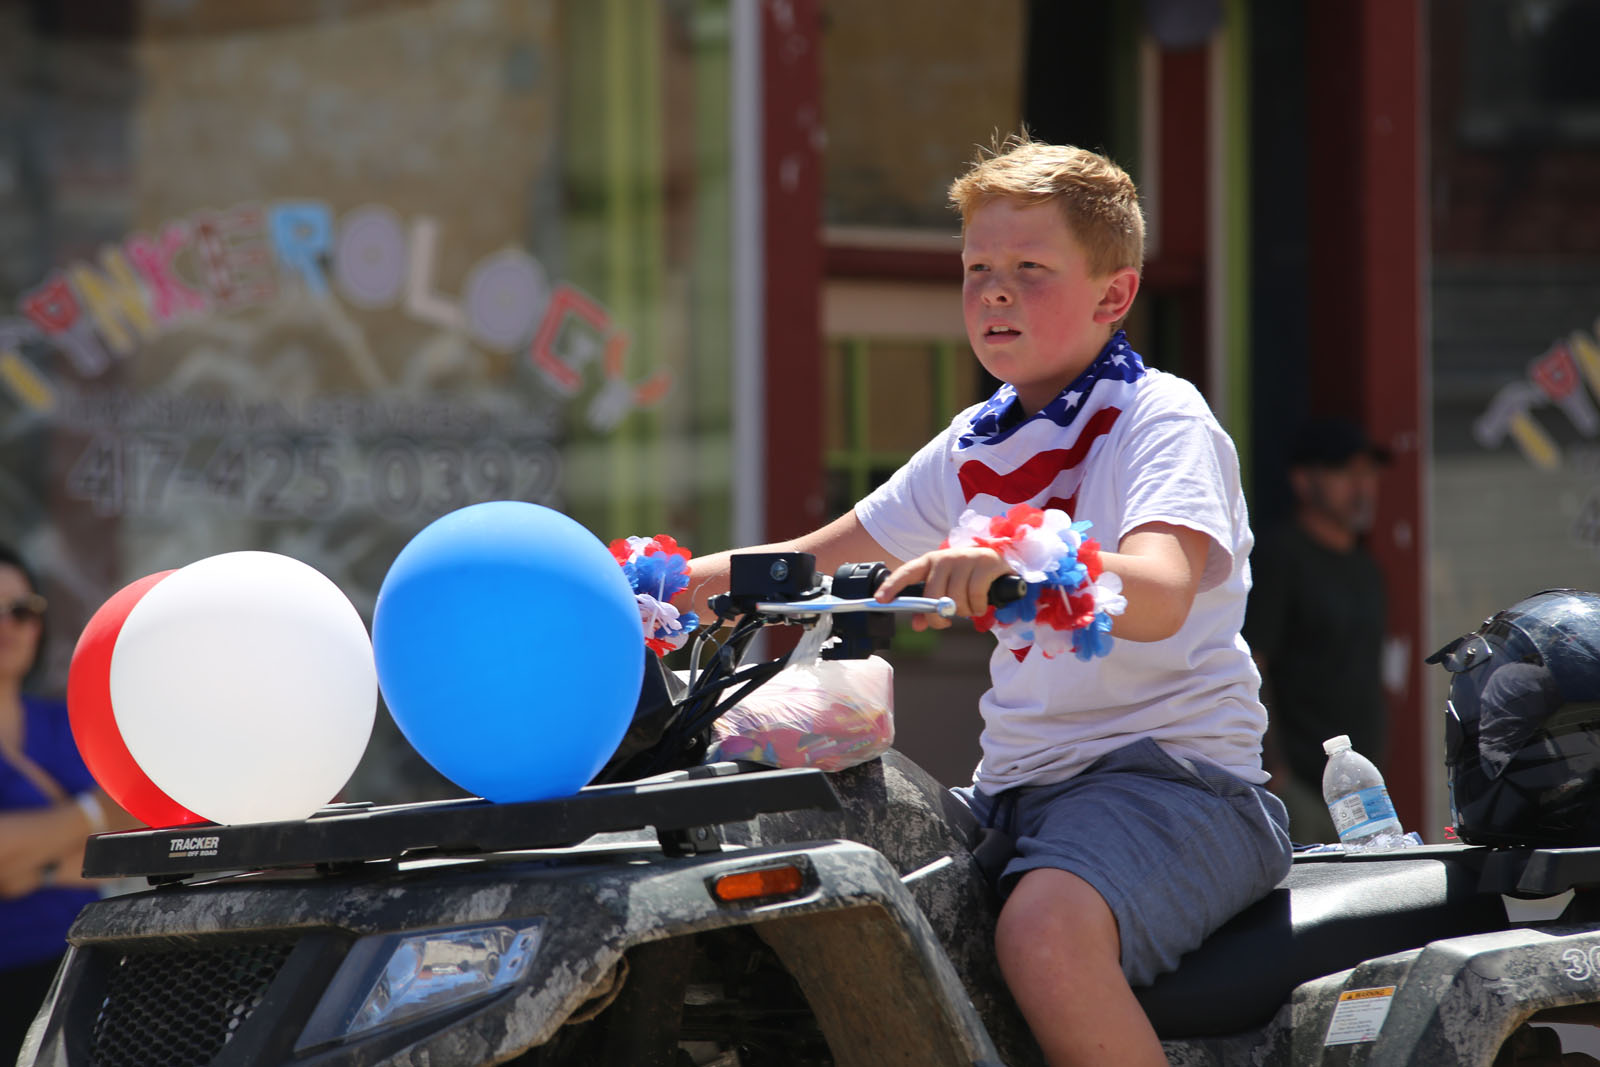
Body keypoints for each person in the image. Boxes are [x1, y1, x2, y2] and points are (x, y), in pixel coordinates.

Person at [681, 133, 1291, 1067]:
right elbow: (807, 560)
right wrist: (668, 585)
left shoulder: (1159, 419)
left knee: (1041, 938)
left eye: (1029, 268)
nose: (994, 290)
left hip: (1177, 787)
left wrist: (1019, 558)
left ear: (1113, 294)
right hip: (1013, 793)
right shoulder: (979, 438)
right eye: (977, 270)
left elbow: (1163, 591)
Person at [0, 545, 127, 1057]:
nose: (7, 626)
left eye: (21, 610)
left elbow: (135, 838)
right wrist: (91, 812)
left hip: (78, 969)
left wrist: (41, 869)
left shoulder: (68, 725)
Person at [1244, 419, 1389, 844]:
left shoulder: (1367, 568)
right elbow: (1251, 664)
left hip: (1365, 788)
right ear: (1303, 481)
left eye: (1369, 474)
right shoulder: (1279, 556)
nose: (1362, 488)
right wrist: (1275, 774)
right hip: (1301, 790)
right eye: (1347, 473)